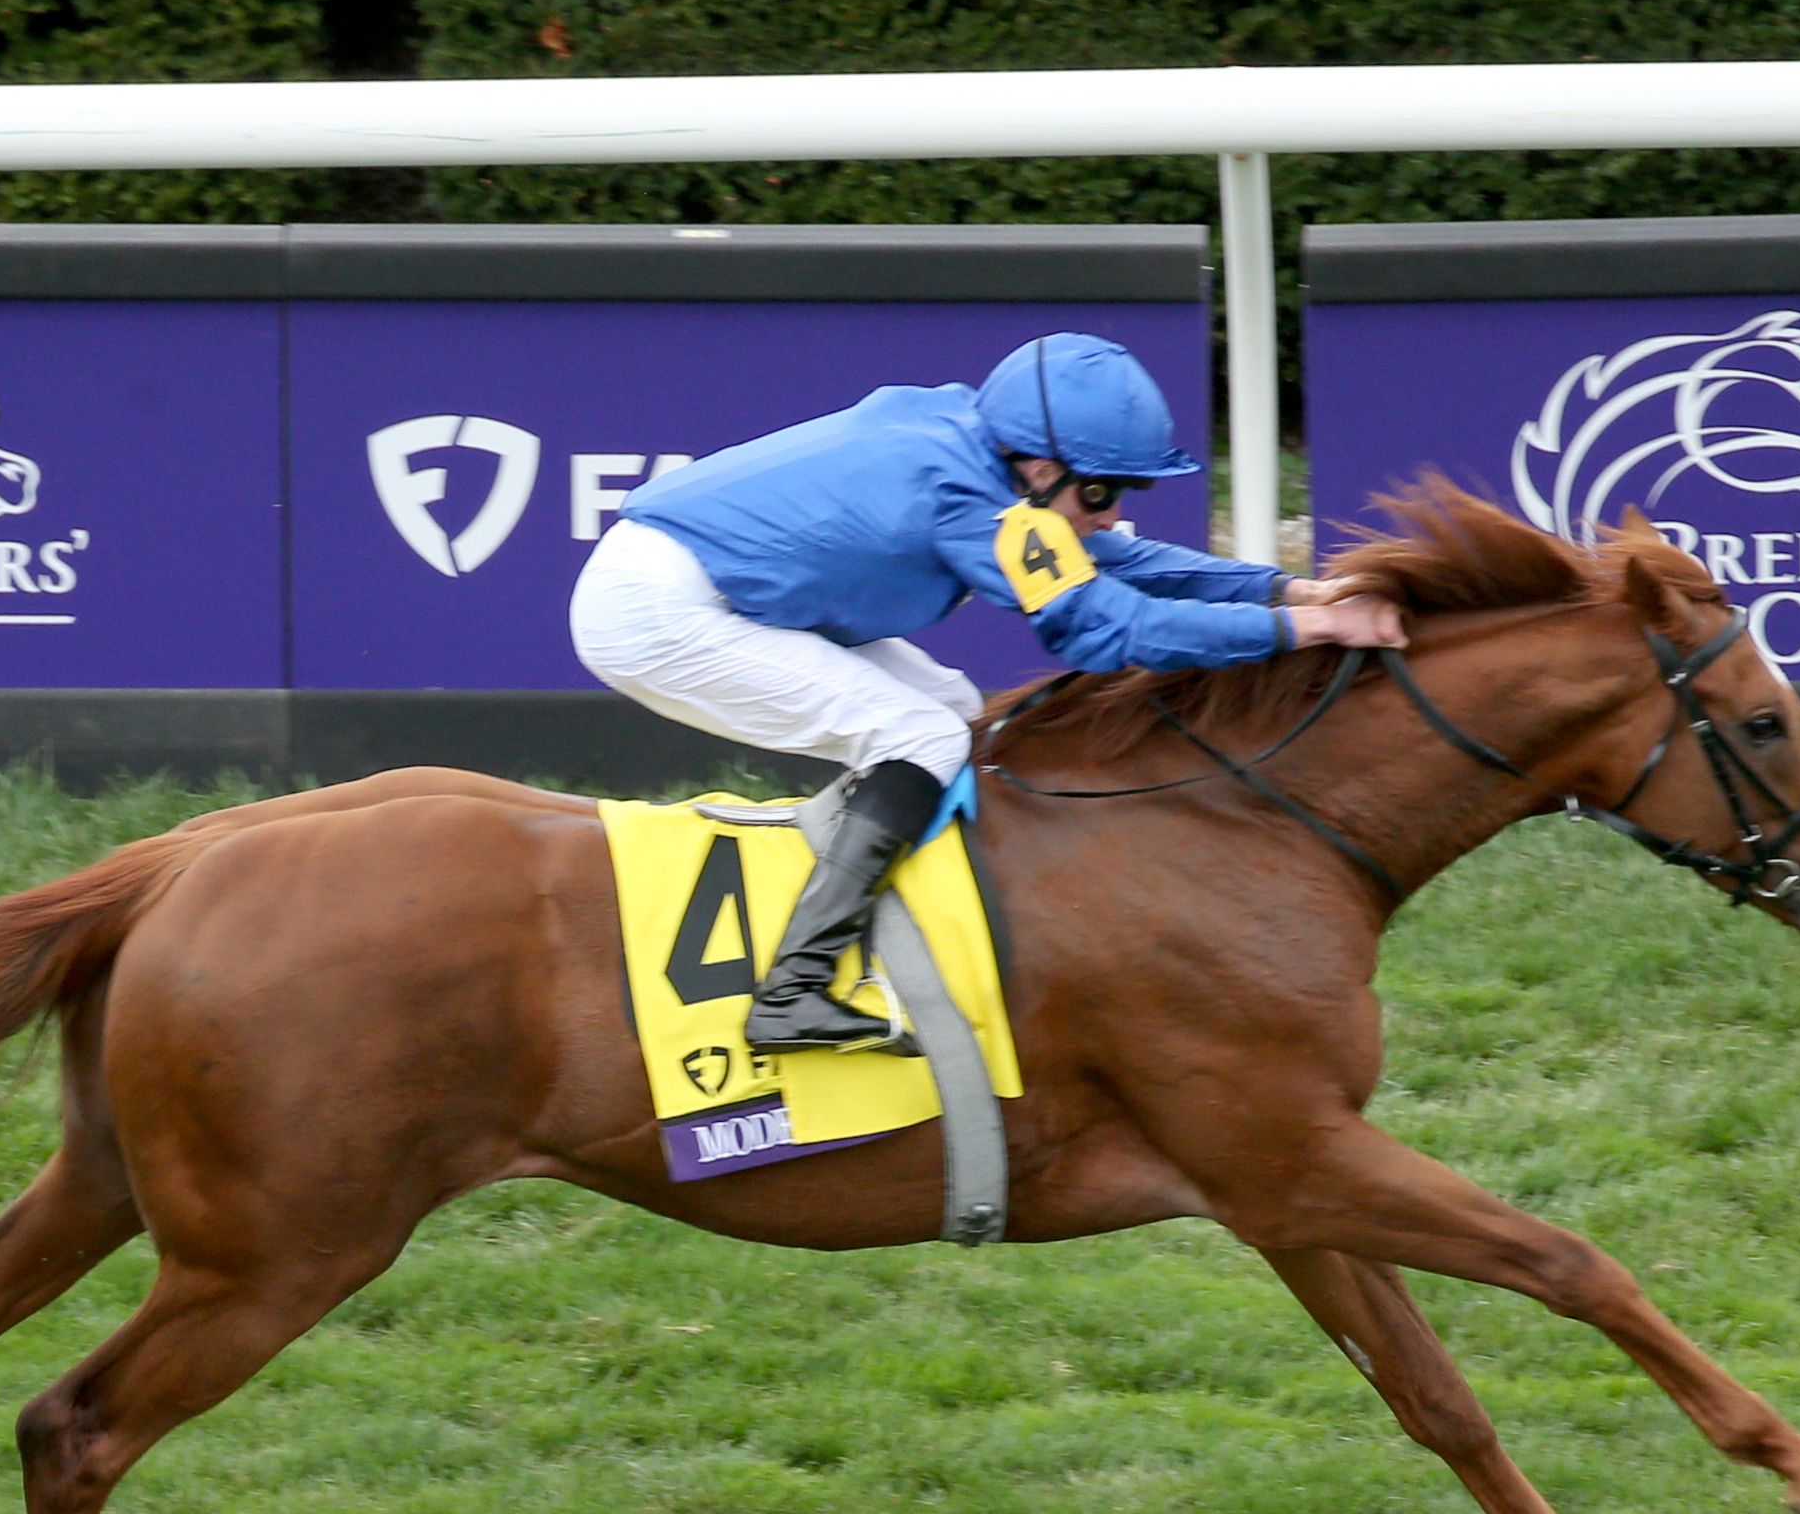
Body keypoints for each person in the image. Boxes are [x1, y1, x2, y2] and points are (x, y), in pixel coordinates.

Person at [572, 331, 1404, 1053]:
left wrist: (1286, 592)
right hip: (657, 610)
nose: (1112, 515)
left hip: (721, 585)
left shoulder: (989, 455)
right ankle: (792, 987)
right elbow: (1109, 631)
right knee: (921, 739)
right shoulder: (971, 497)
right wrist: (1305, 633)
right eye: (1103, 491)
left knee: (955, 716)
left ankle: (915, 924)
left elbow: (1119, 562)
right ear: (1041, 468)